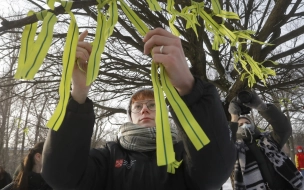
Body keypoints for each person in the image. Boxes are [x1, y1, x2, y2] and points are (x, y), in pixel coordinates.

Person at [41, 28, 236, 190]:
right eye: (137, 107)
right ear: (130, 116)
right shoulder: (109, 156)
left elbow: (214, 172)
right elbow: (61, 177)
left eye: (152, 105)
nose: (144, 110)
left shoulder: (184, 152)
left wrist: (189, 87)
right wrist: (78, 94)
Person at [228, 90, 304, 190]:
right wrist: (234, 118)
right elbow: (224, 149)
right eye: (240, 125)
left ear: (252, 124)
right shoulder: (235, 148)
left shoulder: (268, 139)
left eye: (247, 122)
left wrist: (263, 107)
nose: (244, 126)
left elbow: (284, 129)